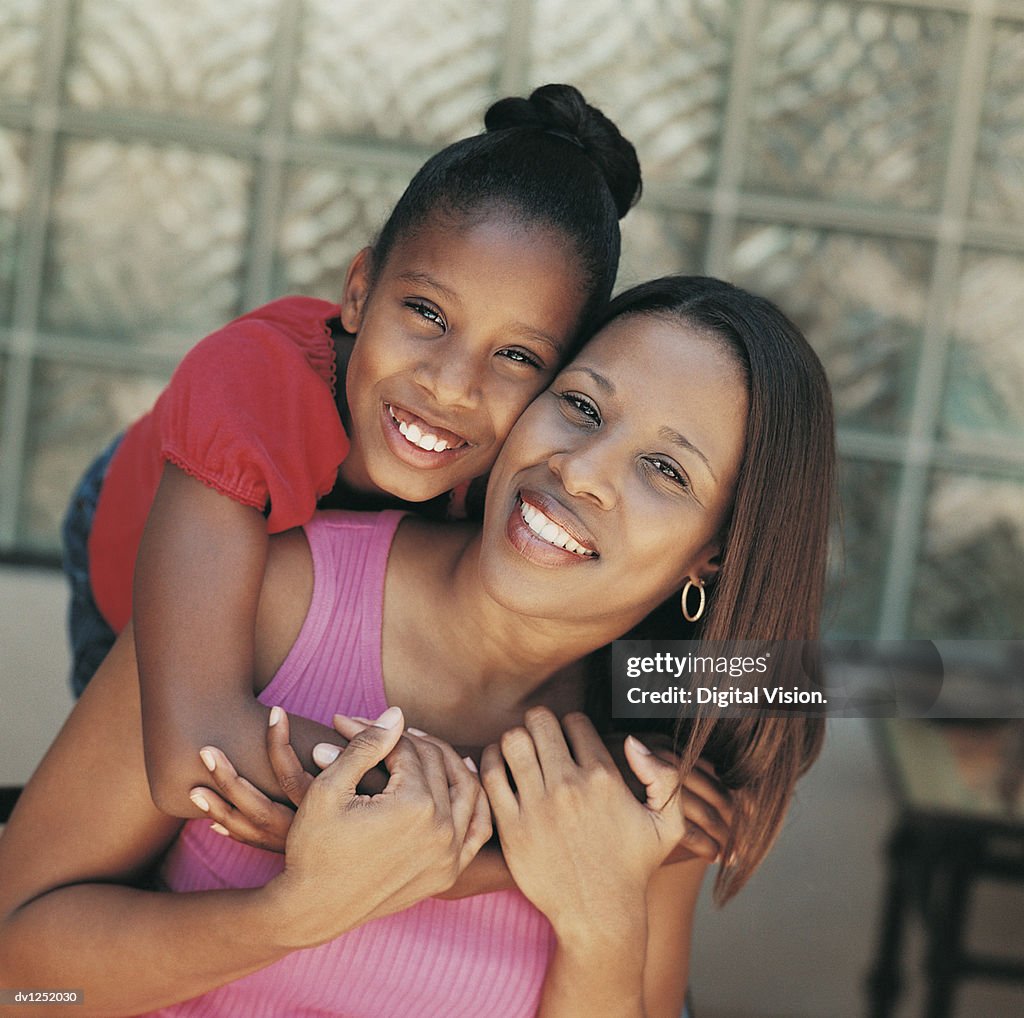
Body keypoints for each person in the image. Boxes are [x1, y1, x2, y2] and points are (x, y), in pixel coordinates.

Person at [0, 276, 835, 1016]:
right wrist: (290, 917)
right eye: (579, 407)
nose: (582, 471)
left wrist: (602, 913)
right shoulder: (272, 596)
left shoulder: (658, 767)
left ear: (714, 556)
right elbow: (16, 982)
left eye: (666, 470)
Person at [60, 83, 642, 815]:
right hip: (126, 534)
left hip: (286, 636)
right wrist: (501, 802)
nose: (453, 387)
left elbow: (701, 647)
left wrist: (695, 772)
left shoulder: (525, 459)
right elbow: (194, 747)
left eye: (518, 357)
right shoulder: (248, 392)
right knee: (130, 806)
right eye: (427, 313)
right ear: (360, 291)